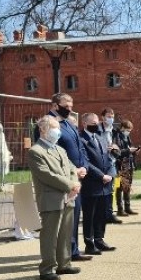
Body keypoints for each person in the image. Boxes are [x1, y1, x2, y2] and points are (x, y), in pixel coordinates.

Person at [28, 116, 81, 280]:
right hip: (51, 199)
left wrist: (75, 183)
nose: (57, 131)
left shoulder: (60, 150)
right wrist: (70, 186)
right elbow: (46, 175)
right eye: (54, 127)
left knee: (66, 232)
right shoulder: (36, 151)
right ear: (43, 130)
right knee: (50, 235)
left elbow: (72, 168)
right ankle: (47, 269)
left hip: (68, 197)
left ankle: (64, 263)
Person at [41, 94, 92, 262]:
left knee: (74, 215)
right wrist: (73, 170)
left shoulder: (68, 123)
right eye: (66, 105)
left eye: (71, 105)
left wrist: (84, 166)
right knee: (63, 220)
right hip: (64, 179)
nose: (70, 108)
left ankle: (73, 250)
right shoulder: (48, 124)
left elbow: (80, 148)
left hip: (77, 176)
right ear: (55, 105)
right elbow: (50, 153)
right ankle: (64, 254)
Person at [78, 113, 116, 254]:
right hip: (91, 184)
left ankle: (99, 240)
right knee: (90, 215)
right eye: (93, 123)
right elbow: (85, 161)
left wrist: (111, 174)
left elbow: (109, 158)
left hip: (105, 184)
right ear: (85, 123)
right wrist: (101, 176)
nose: (96, 125)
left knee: (102, 214)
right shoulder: (81, 139)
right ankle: (90, 243)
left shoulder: (100, 137)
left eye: (97, 122)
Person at [99, 107, 122, 224]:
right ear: (102, 117)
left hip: (111, 163)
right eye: (108, 116)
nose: (111, 119)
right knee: (100, 190)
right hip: (99, 164)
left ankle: (109, 214)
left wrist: (115, 148)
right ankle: (100, 214)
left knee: (110, 190)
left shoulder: (115, 131)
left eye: (112, 117)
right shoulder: (97, 129)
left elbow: (120, 148)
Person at [114, 119, 139, 217]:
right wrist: (129, 151)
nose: (128, 132)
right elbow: (117, 152)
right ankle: (120, 209)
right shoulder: (116, 136)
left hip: (128, 164)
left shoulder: (127, 137)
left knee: (127, 187)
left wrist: (134, 151)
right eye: (127, 129)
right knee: (119, 187)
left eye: (130, 130)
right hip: (119, 165)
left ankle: (127, 208)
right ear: (122, 128)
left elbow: (128, 149)